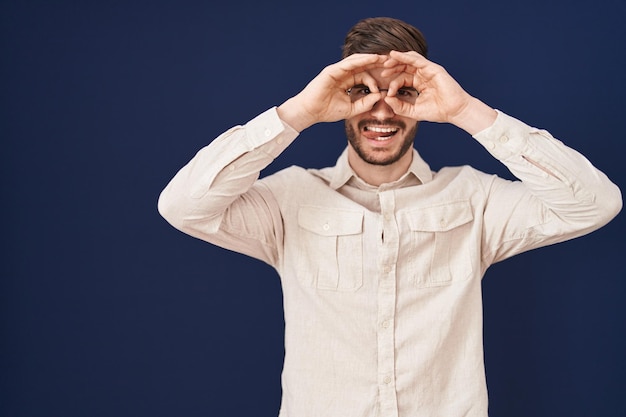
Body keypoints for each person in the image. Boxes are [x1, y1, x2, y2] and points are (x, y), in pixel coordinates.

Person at [158, 17, 622, 417]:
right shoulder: (290, 198)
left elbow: (596, 203)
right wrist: (297, 113)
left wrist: (465, 111)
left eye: (402, 91)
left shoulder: (473, 197)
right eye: (362, 91)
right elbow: (181, 206)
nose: (382, 110)